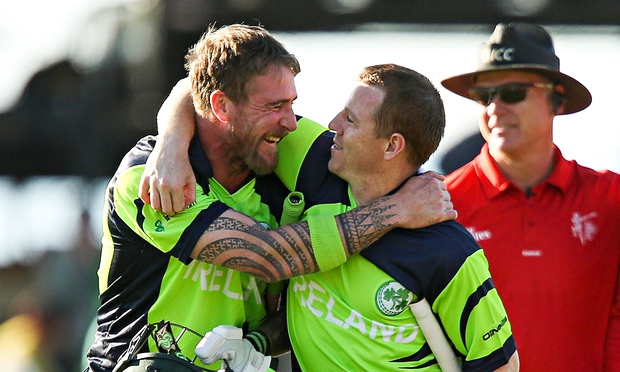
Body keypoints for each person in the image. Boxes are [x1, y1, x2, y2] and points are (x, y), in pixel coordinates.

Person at [85, 24, 456, 372]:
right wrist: (395, 211)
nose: (292, 122)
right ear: (221, 108)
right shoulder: (149, 178)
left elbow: (381, 163)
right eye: (274, 106)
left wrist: (258, 343)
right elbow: (267, 257)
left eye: (292, 103)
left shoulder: (281, 148)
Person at [144, 64, 519, 370]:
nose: (332, 124)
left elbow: (502, 366)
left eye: (351, 119)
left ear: (392, 146)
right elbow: (204, 87)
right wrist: (171, 144)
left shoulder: (446, 250)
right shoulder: (317, 165)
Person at [440, 22, 620, 371]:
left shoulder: (611, 199)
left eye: (511, 93)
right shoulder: (442, 204)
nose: (494, 108)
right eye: (483, 96)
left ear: (557, 99)